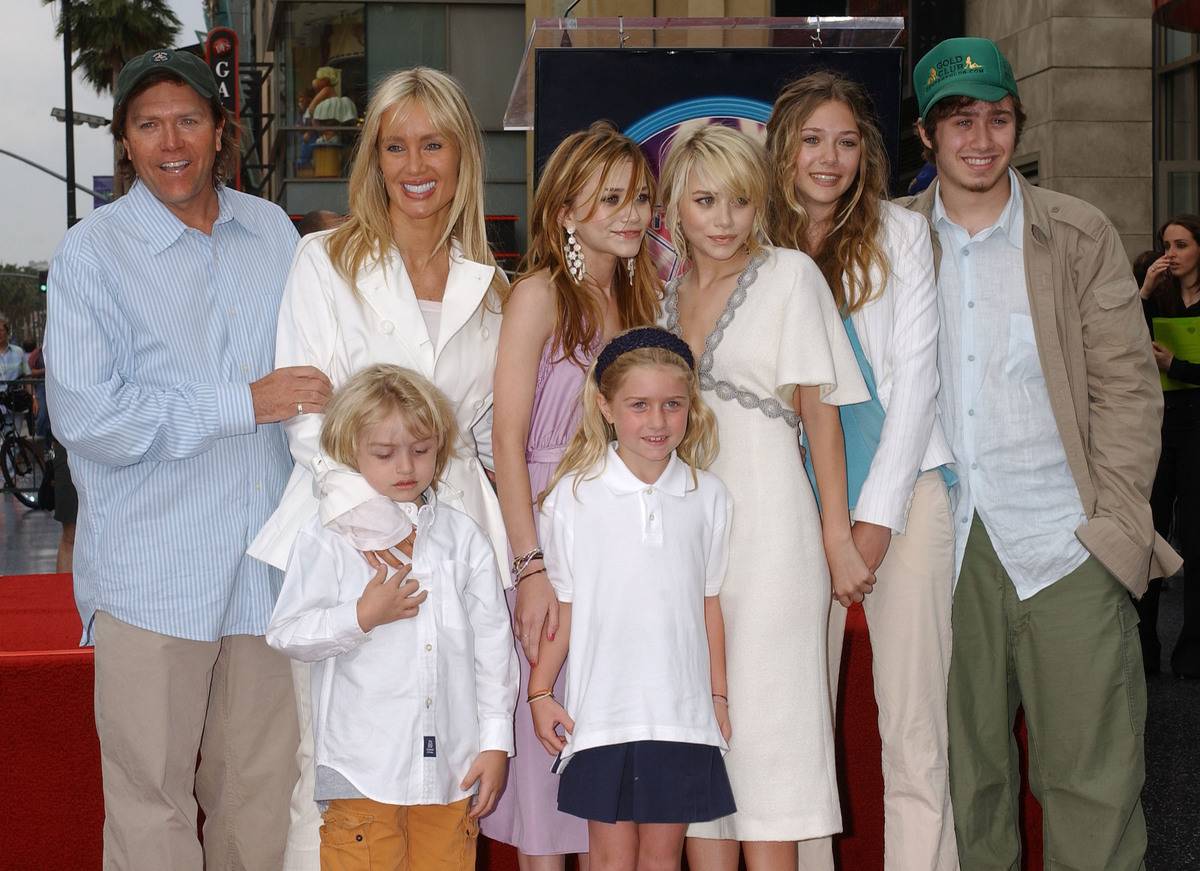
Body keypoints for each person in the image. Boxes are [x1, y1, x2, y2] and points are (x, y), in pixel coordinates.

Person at [43, 48, 331, 868]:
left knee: (259, 800)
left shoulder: (272, 231)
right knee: (150, 809)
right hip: (152, 580)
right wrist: (247, 401)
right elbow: (88, 415)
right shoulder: (92, 254)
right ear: (125, 142)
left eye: (188, 119)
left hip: (267, 576)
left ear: (220, 132)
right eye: (148, 123)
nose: (171, 140)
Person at [901, 37, 1179, 869]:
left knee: (1093, 784)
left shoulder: (1078, 233)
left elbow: (1128, 391)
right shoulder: (892, 241)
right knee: (968, 787)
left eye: (997, 118)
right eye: (960, 121)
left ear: (1018, 124)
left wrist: (1116, 530)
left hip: (1068, 545)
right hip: (946, 549)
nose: (981, 138)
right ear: (927, 135)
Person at [248, 66, 508, 871]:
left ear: (463, 153)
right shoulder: (323, 261)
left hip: (460, 550)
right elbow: (308, 416)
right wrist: (380, 532)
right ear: (374, 159)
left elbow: (494, 435)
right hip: (345, 550)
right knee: (332, 777)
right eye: (395, 146)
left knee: (445, 772)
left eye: (432, 143)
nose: (414, 164)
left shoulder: (493, 285)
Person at [658, 124, 871, 871]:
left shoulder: (789, 276)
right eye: (705, 200)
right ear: (675, 205)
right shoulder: (661, 289)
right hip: (683, 540)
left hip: (775, 536)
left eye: (740, 201)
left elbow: (823, 417)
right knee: (697, 735)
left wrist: (836, 534)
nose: (723, 219)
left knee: (772, 741)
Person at [765, 72, 958, 870]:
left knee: (914, 729)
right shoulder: (751, 245)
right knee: (799, 731)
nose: (829, 157)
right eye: (812, 139)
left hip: (905, 496)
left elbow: (916, 384)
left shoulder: (902, 235)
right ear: (782, 147)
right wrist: (822, 528)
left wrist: (870, 525)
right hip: (787, 508)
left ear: (867, 153)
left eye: (846, 141)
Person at [486, 121, 661, 865]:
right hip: (551, 554)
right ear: (564, 209)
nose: (633, 213)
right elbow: (506, 444)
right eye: (612, 197)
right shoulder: (538, 296)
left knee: (611, 779)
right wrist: (531, 571)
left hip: (624, 558)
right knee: (547, 781)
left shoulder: (645, 299)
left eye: (641, 197)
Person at [267, 364, 518, 871]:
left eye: (422, 450)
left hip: (452, 767)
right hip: (363, 769)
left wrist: (495, 743)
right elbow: (287, 634)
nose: (406, 466)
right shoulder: (328, 538)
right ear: (349, 450)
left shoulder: (463, 537)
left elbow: (494, 647)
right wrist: (359, 617)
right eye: (384, 453)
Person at [529, 327, 736, 870]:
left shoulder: (708, 495)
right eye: (639, 405)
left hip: (681, 715)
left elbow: (708, 605)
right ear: (605, 406)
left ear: (690, 407)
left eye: (672, 405)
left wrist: (717, 698)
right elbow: (567, 606)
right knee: (610, 861)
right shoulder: (573, 497)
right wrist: (540, 691)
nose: (657, 421)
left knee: (663, 860)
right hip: (604, 716)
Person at [1136, 216, 1200, 677]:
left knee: (1195, 541)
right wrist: (1141, 293)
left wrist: (1177, 364)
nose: (1172, 253)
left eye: (1181, 244)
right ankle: (1143, 650)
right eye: (1166, 245)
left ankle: (1191, 654)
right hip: (1157, 428)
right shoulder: (1157, 294)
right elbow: (1117, 342)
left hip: (1198, 429)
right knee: (1148, 536)